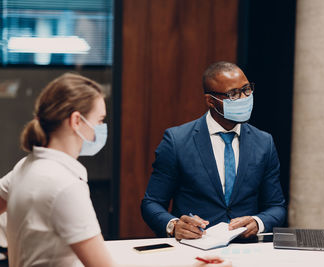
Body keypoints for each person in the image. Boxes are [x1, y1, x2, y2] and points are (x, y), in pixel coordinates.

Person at [0, 73, 230, 267]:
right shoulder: (65, 184)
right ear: (76, 121)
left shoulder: (23, 167)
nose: (101, 129)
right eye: (99, 120)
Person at [141, 61, 286, 240]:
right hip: (193, 247)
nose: (243, 98)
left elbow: (276, 206)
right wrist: (174, 225)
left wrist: (258, 222)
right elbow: (151, 203)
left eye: (246, 89)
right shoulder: (177, 141)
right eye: (233, 94)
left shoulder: (264, 142)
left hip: (246, 249)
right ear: (211, 101)